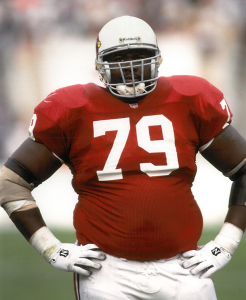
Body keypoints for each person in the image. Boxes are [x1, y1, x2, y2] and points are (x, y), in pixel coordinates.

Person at [1, 15, 246, 300]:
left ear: (157, 58)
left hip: (185, 267)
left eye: (140, 56)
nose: (131, 67)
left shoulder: (190, 97)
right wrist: (50, 247)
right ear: (100, 65)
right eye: (120, 58)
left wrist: (226, 242)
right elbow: (10, 183)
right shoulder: (71, 109)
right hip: (107, 272)